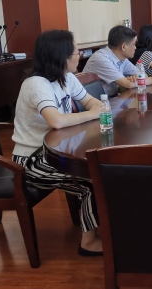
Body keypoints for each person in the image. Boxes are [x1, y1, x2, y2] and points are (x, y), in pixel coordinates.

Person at [11, 30, 103, 256]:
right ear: (61, 56)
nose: (80, 55)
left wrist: (94, 109)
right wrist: (93, 113)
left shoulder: (66, 77)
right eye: (76, 52)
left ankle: (102, 228)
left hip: (57, 152)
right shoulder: (36, 84)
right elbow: (57, 121)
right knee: (91, 182)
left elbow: (91, 102)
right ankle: (88, 243)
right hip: (30, 160)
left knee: (100, 172)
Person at [83, 25, 152, 96]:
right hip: (96, 105)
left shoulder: (122, 59)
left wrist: (135, 78)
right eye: (134, 44)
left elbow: (143, 75)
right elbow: (128, 84)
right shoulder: (101, 59)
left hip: (112, 100)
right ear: (124, 47)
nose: (135, 47)